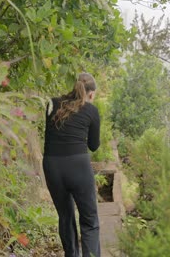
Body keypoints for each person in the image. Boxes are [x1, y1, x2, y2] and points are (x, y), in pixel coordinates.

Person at [43, 73, 101, 257]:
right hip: (78, 167)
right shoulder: (91, 110)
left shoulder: (52, 104)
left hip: (52, 166)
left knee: (66, 217)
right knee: (89, 220)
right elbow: (93, 145)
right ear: (90, 94)